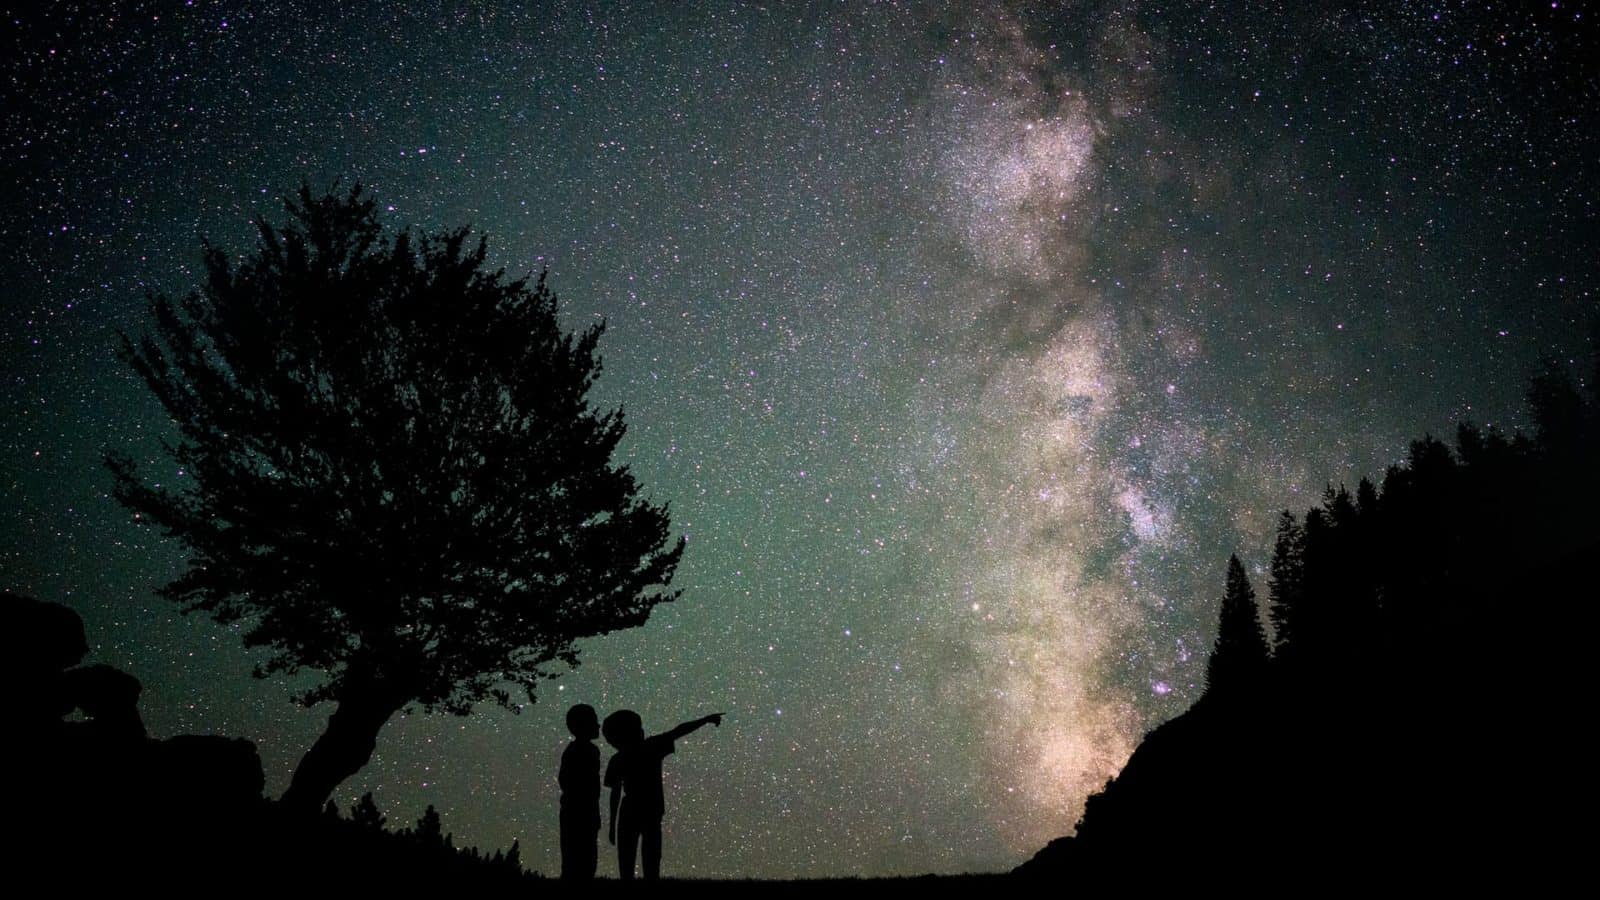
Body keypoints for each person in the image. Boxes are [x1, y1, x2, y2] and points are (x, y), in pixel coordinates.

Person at [602, 709, 723, 880]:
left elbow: (615, 793)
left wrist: (613, 824)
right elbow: (679, 731)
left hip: (629, 811)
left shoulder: (618, 759)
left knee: (626, 860)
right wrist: (705, 720)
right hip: (651, 809)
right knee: (651, 859)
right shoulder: (652, 746)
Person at [558, 704, 602, 880]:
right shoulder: (588, 751)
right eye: (595, 722)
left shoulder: (575, 750)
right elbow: (588, 786)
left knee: (573, 857)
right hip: (582, 810)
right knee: (584, 857)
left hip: (574, 809)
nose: (598, 726)